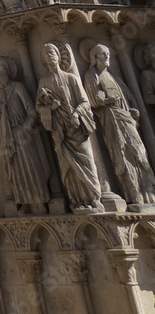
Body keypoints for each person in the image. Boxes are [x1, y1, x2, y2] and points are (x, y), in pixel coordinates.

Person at [84, 44, 155, 205]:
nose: (107, 57)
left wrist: (133, 109)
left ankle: (148, 189)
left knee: (139, 152)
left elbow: (128, 95)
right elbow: (94, 98)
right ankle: (132, 193)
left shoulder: (113, 75)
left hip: (127, 118)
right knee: (122, 154)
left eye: (108, 53)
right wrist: (107, 100)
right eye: (103, 54)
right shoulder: (92, 74)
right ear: (94, 57)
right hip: (112, 119)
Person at [36, 43, 100, 211]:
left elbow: (85, 101)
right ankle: (77, 200)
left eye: (52, 52)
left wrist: (77, 114)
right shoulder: (44, 82)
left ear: (58, 55)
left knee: (88, 161)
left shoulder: (71, 78)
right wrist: (51, 107)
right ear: (43, 60)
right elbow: (38, 107)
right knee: (67, 168)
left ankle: (94, 198)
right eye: (46, 54)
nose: (50, 56)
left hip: (76, 128)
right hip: (60, 131)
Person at [0, 56, 50, 213]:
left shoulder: (18, 87)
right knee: (14, 171)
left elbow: (31, 109)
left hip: (22, 133)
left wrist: (27, 125)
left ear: (7, 69)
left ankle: (39, 201)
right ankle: (22, 201)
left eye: (0, 68)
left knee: (31, 166)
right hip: (6, 137)